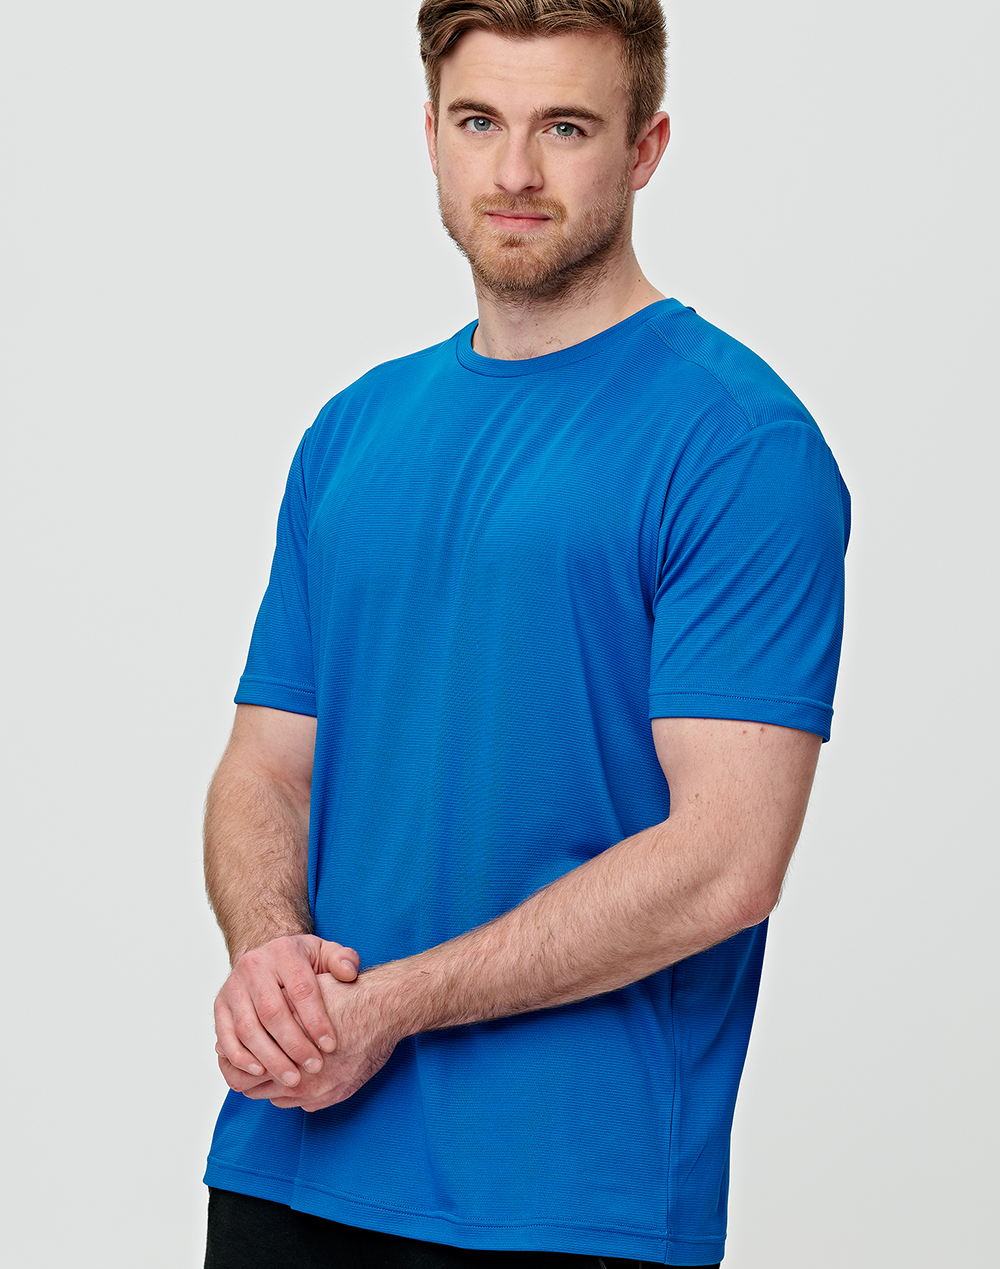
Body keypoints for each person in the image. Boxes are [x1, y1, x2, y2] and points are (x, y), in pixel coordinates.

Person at [202, 2, 850, 1266]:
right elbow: (266, 767)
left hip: (562, 1198)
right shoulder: (354, 429)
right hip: (290, 1158)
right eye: (477, 122)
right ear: (429, 136)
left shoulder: (738, 446)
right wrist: (273, 954)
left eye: (563, 128)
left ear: (644, 147)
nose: (512, 171)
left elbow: (726, 859)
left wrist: (389, 1007)